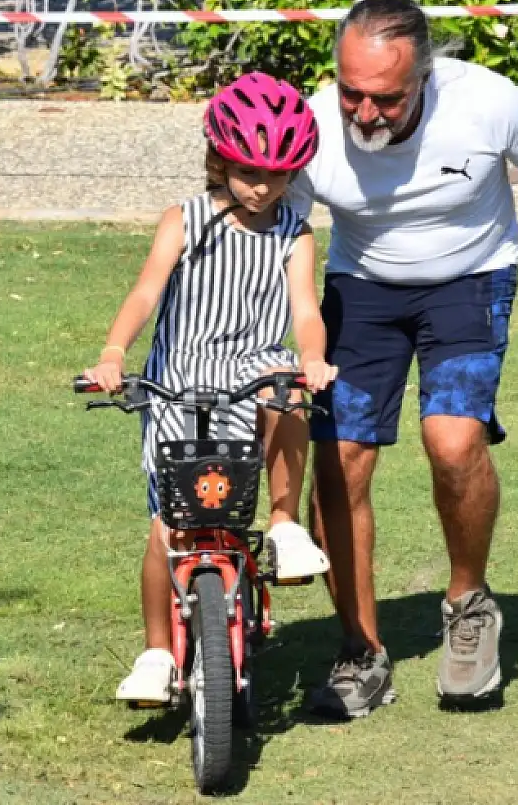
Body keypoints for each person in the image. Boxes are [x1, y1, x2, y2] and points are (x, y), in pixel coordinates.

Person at [293, 0, 518, 718]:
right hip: (361, 286)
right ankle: (360, 652)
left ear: (425, 77)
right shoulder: (311, 126)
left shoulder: (486, 101)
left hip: (470, 278)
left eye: (386, 99)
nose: (364, 115)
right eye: (352, 94)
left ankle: (467, 604)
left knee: (454, 441)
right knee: (339, 459)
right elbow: (278, 224)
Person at [84, 71, 339, 705]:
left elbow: (305, 308)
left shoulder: (295, 233)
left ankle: (284, 525)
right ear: (219, 160)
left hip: (251, 371)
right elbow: (147, 289)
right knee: (169, 526)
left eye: (279, 174)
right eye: (249, 171)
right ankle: (155, 653)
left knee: (288, 390)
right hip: (181, 383)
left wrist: (312, 357)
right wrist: (114, 354)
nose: (263, 186)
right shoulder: (186, 220)